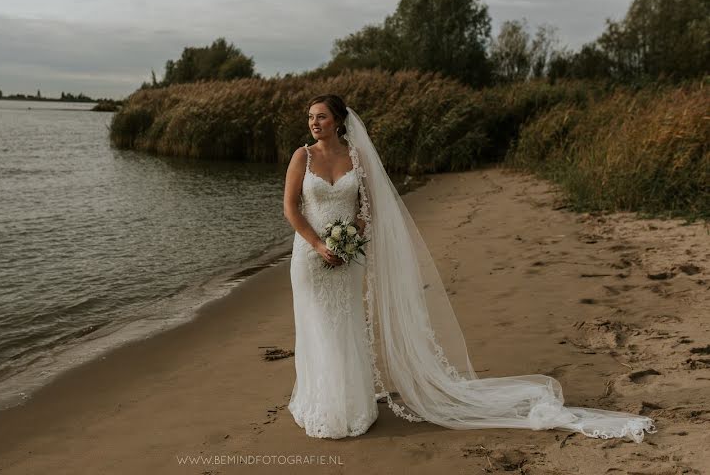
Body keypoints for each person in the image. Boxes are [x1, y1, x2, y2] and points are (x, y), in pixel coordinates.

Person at [282, 94, 658, 442]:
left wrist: (350, 241)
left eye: (322, 117)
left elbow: (367, 208)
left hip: (347, 257)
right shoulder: (303, 157)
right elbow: (291, 209)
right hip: (311, 258)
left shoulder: (357, 157)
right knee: (317, 327)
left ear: (339, 120)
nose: (315, 123)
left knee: (347, 327)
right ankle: (322, 404)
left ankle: (351, 405)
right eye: (311, 117)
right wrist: (319, 244)